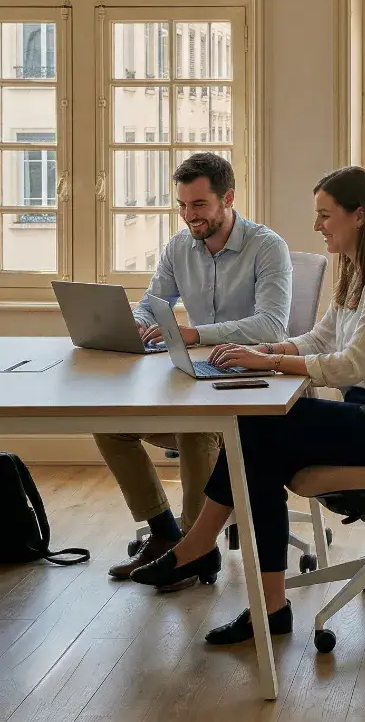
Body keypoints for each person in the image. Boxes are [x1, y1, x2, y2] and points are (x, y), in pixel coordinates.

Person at [130, 166, 365, 645]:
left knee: (257, 430)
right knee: (257, 441)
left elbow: (352, 364)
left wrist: (271, 362)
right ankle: (262, 602)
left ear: (359, 216)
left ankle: (206, 553)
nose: (317, 226)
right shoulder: (358, 270)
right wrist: (265, 353)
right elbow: (321, 338)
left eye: (325, 215)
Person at [95, 151, 292, 587]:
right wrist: (137, 323)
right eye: (182, 205)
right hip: (196, 378)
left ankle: (194, 548)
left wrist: (195, 333)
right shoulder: (179, 247)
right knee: (109, 424)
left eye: (199, 204)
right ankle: (166, 533)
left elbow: (271, 325)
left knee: (196, 426)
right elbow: (153, 302)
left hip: (252, 386)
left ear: (228, 199)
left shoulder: (267, 246)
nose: (189, 215)